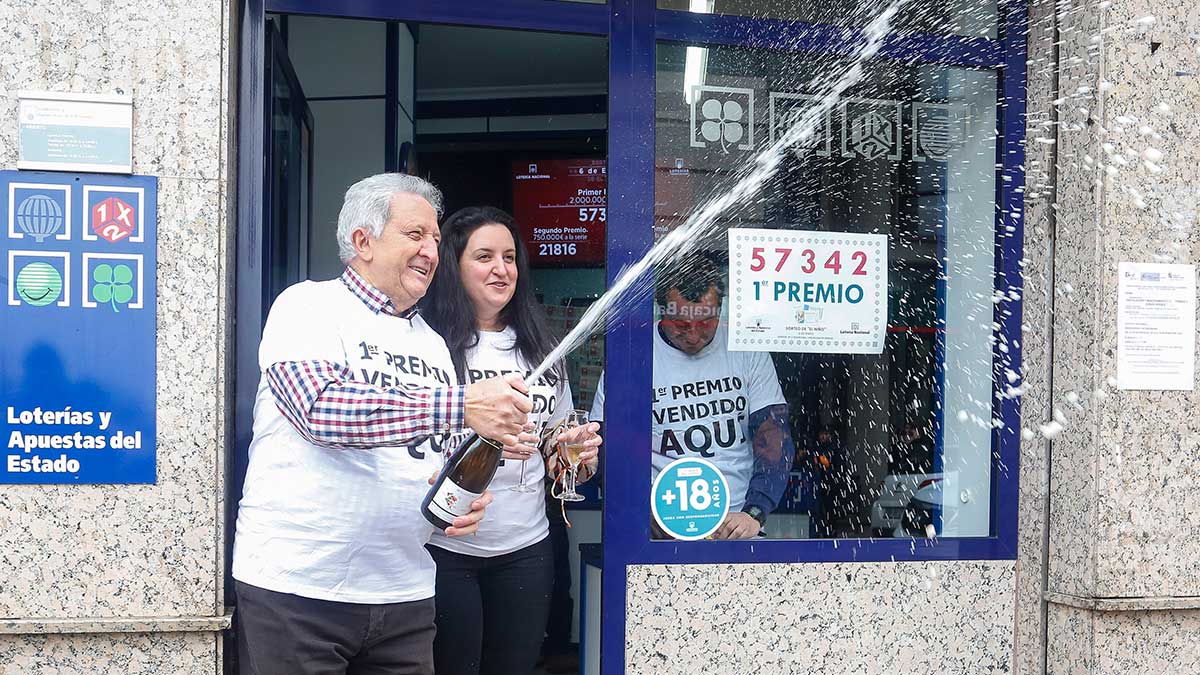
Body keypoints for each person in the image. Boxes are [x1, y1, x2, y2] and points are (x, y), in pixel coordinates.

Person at [232, 175, 538, 675]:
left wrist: (461, 497)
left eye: (436, 240)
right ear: (362, 241)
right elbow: (319, 410)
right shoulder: (308, 306)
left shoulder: (432, 343)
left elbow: (435, 452)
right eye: (415, 235)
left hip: (406, 593)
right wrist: (460, 404)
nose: (431, 251)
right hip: (298, 590)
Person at [421, 206, 601, 675]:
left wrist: (571, 451)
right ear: (453, 265)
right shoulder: (425, 343)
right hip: (443, 548)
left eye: (509, 257)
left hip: (527, 547)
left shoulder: (542, 348)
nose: (501, 269)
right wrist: (488, 434)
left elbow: (555, 443)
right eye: (484, 256)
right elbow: (410, 433)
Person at [591, 255, 795, 539]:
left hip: (734, 525)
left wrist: (754, 513)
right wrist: (640, 511)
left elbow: (773, 440)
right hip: (655, 529)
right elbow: (606, 450)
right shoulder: (631, 355)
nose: (693, 335)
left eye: (705, 321)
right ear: (661, 311)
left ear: (720, 309)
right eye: (681, 324)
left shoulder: (746, 348)